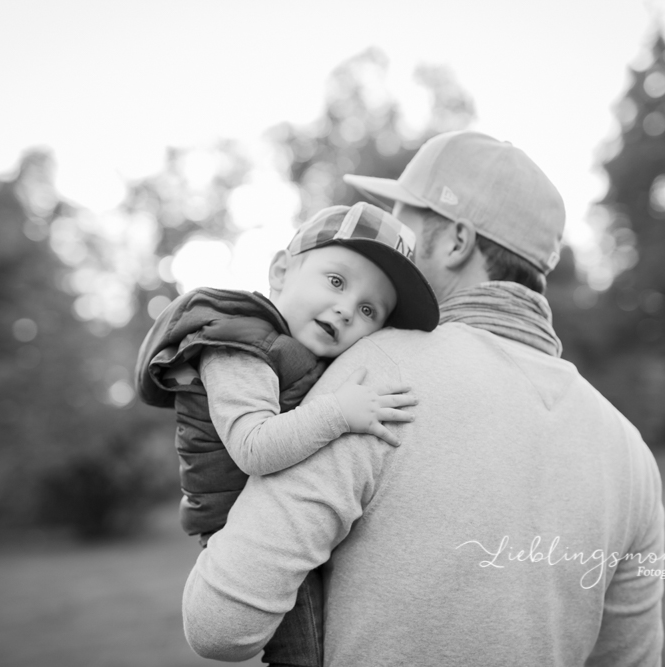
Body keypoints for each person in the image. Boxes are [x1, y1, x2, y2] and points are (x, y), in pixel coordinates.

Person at [182, 130, 665, 666]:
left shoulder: (377, 374)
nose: (393, 241)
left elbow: (221, 625)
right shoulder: (630, 453)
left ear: (456, 241)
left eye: (403, 221)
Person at [136, 202, 439, 667]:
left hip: (280, 519)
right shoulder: (239, 348)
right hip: (248, 537)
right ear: (281, 270)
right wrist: (340, 412)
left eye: (368, 310)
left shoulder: (288, 349)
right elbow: (254, 447)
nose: (345, 309)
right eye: (336, 281)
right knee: (305, 653)